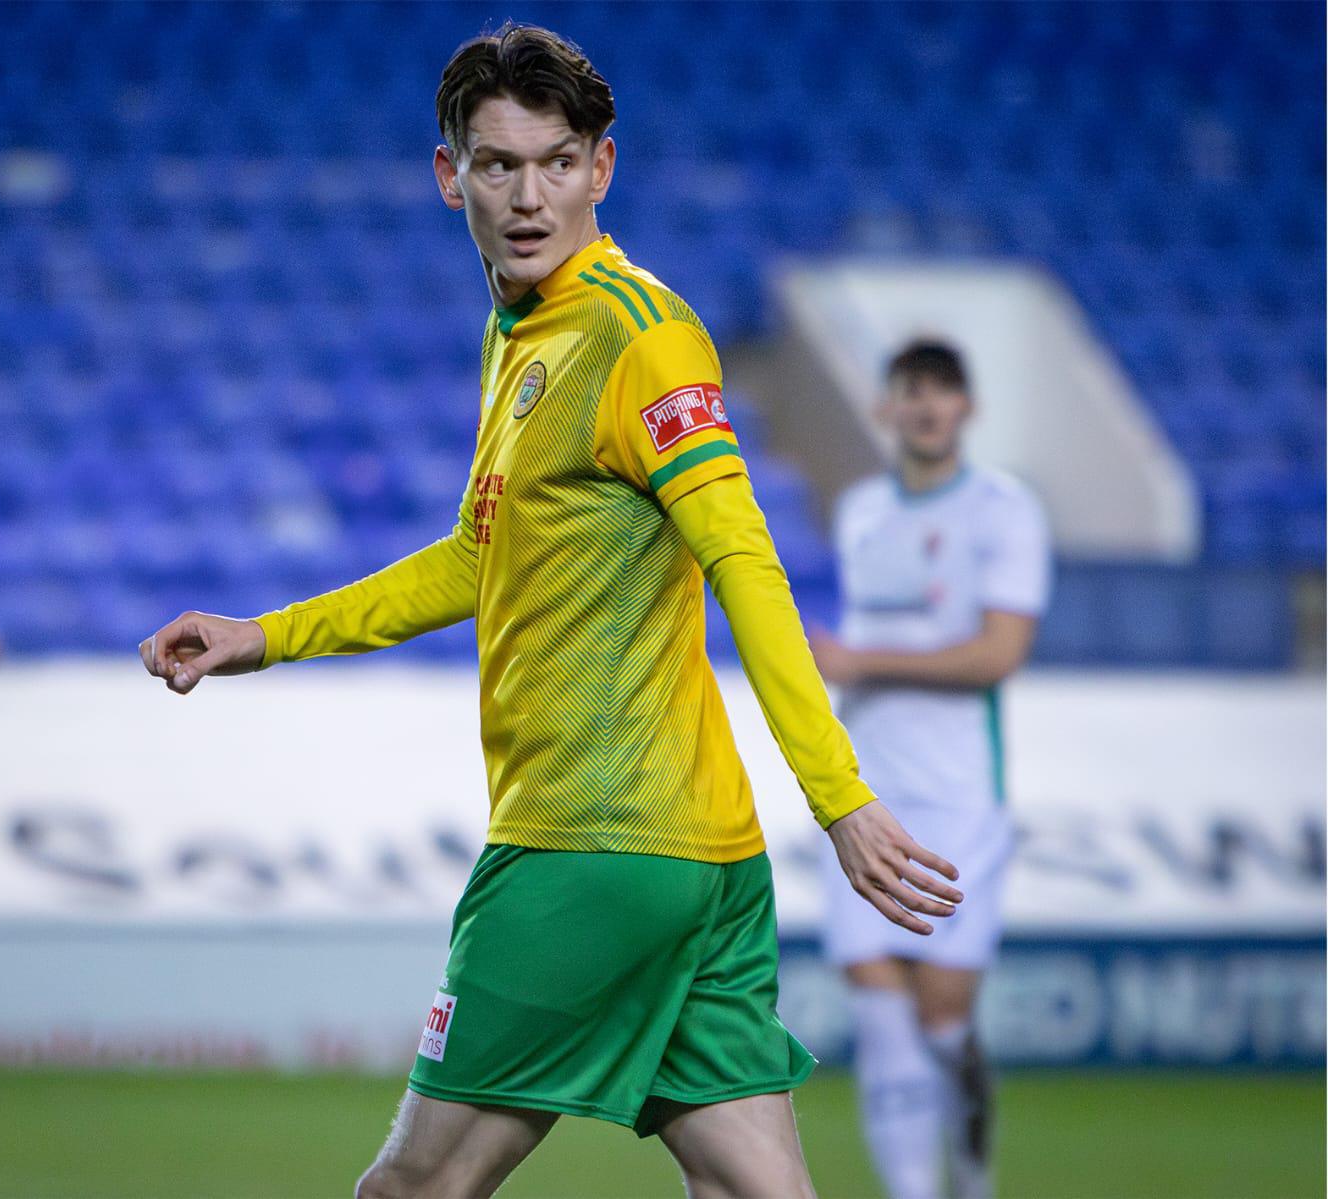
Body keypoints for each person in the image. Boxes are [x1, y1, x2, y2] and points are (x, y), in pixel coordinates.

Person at [140, 25, 963, 1199]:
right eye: (499, 165)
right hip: (700, 865)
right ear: (450, 176)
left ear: (601, 168)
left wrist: (838, 796)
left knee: (410, 1189)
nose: (529, 198)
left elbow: (743, 559)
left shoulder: (639, 337)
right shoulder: (522, 331)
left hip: (587, 843)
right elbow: (479, 558)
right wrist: (264, 635)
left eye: (557, 163)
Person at [808, 340, 1052, 1199]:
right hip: (864, 791)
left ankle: (972, 1170)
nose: (926, 405)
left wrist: (861, 662)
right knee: (879, 1011)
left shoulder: (1004, 511)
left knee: (943, 1018)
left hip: (958, 794)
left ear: (967, 407)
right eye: (910, 390)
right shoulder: (861, 509)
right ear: (885, 408)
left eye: (942, 390)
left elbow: (998, 653)